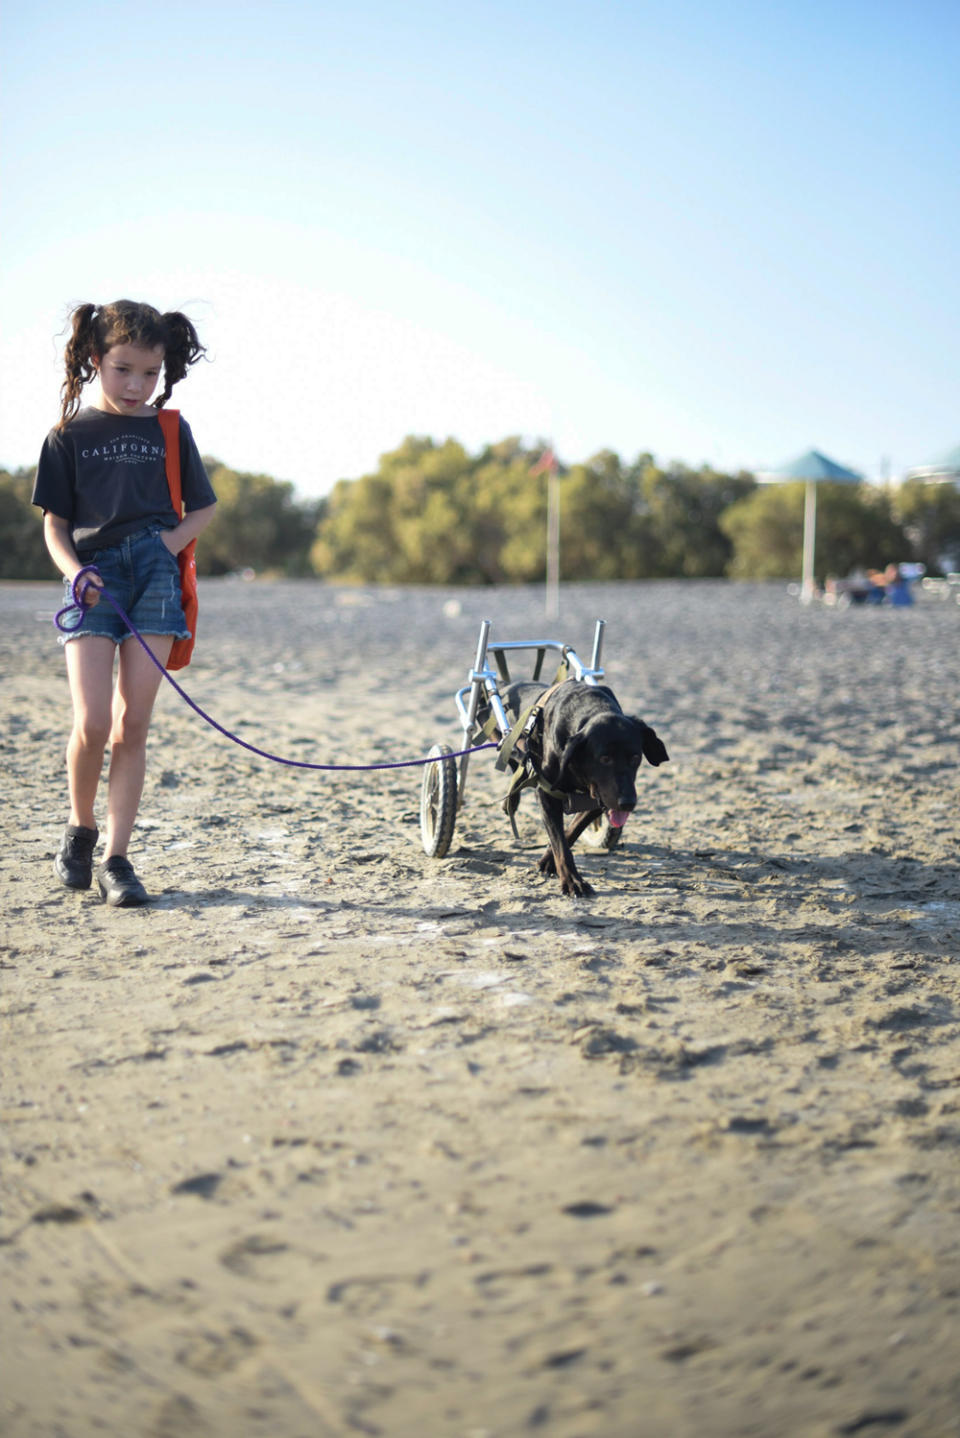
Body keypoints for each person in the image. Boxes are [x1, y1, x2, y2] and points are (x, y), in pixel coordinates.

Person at [32, 300, 218, 906]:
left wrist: (165, 545)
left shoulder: (170, 431)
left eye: (149, 373)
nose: (137, 385)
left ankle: (116, 858)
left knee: (131, 724)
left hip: (156, 580)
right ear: (96, 360)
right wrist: (76, 571)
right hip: (92, 579)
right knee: (91, 723)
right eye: (123, 370)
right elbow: (55, 528)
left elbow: (204, 508)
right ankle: (79, 830)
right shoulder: (67, 436)